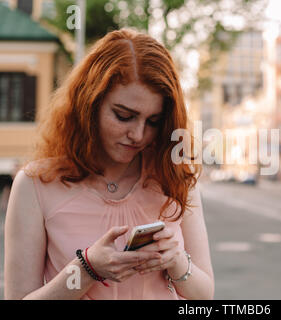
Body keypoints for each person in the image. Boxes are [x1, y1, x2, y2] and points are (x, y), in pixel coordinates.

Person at [4, 28, 214, 300]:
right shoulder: (35, 184)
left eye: (153, 122)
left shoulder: (174, 177)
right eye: (124, 116)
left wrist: (177, 262)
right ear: (89, 103)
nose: (138, 135)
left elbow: (205, 295)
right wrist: (87, 269)